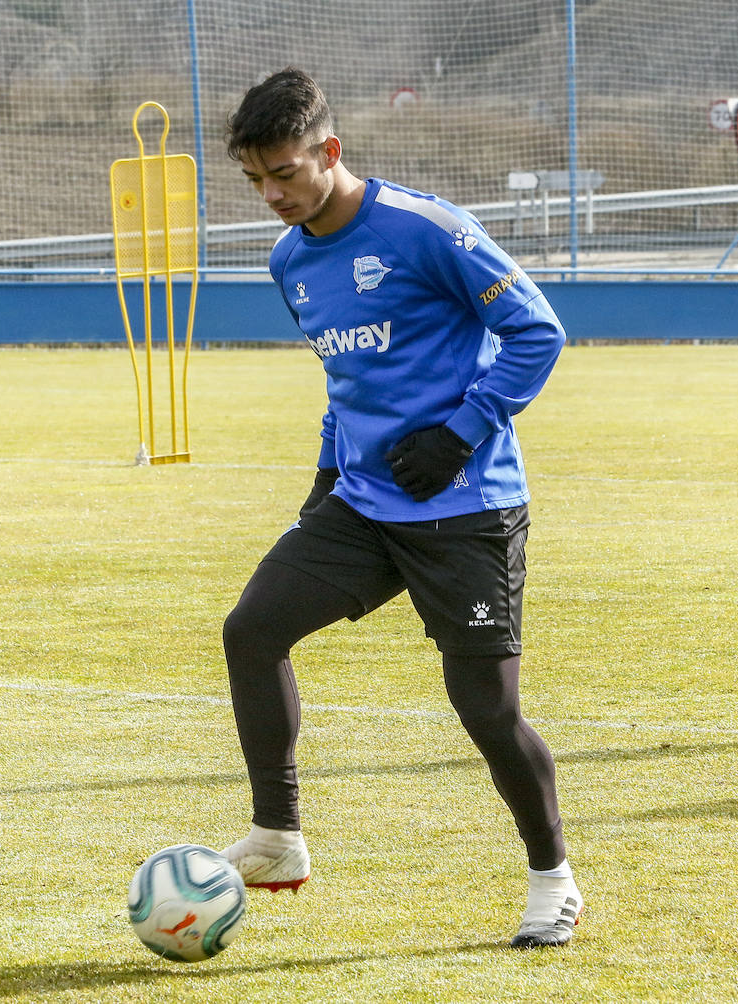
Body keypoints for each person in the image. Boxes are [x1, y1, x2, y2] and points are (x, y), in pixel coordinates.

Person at [218, 68, 579, 950]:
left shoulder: (426, 229)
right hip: (365, 504)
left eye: (286, 173)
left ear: (330, 152)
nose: (271, 195)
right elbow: (346, 381)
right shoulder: (289, 258)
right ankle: (277, 835)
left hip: (467, 506)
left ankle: (552, 880)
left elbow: (539, 332)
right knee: (252, 629)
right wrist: (324, 477)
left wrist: (461, 432)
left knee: (485, 710)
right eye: (255, 180)